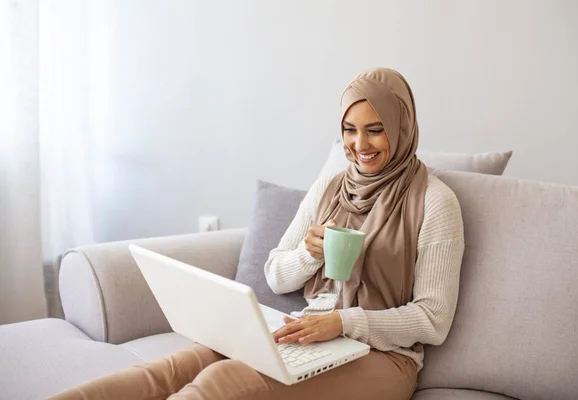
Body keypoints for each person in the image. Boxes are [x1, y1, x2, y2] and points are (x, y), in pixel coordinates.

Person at [51, 67, 464, 400]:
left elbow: (433, 320)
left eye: (375, 129)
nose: (359, 144)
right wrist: (310, 254)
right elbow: (275, 274)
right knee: (177, 366)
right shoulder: (332, 186)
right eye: (349, 129)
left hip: (385, 361)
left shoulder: (434, 201)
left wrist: (343, 322)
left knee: (224, 383)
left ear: (403, 126)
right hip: (309, 331)